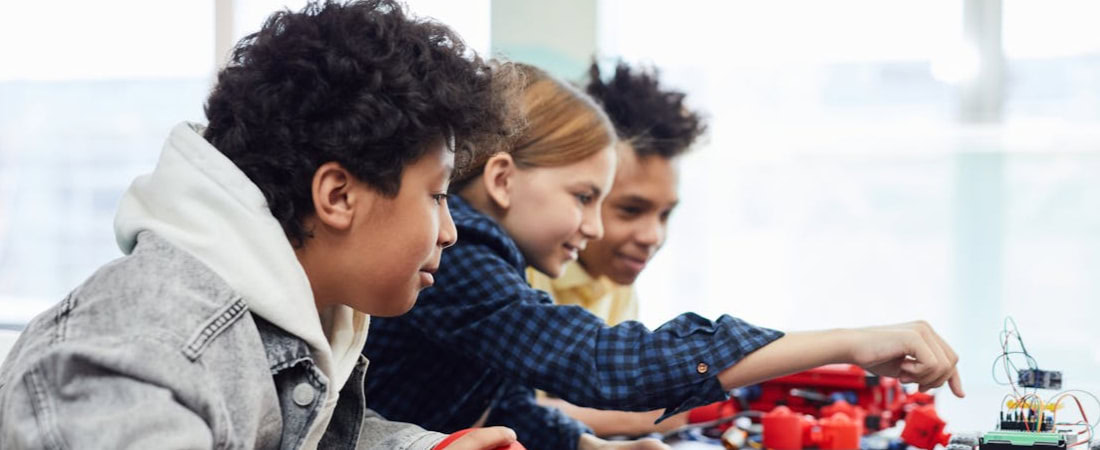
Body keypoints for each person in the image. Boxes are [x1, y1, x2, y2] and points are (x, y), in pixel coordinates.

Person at [0, 1, 522, 449]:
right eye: (436, 195)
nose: (449, 231)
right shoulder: (136, 358)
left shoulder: (282, 323)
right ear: (338, 196)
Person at [363, 62, 964, 450]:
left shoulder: (488, 257)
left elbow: (500, 398)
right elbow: (598, 363)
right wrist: (846, 343)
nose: (594, 227)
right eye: (584, 198)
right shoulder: (465, 252)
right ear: (501, 180)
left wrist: (585, 446)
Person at [525, 61, 706, 438]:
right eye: (631, 209)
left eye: (665, 214)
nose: (652, 236)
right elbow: (506, 410)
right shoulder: (517, 272)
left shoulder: (619, 282)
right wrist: (641, 416)